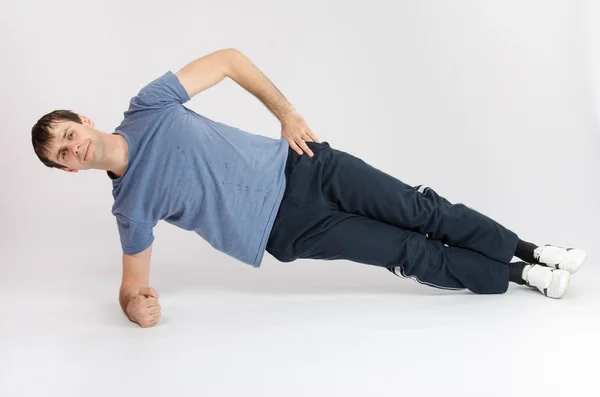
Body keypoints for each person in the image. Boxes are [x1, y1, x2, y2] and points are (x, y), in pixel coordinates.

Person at [31, 48, 586, 328]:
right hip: (288, 228)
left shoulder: (147, 106)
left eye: (68, 135)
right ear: (66, 171)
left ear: (82, 119)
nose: (72, 147)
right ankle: (519, 276)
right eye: (61, 154)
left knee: (421, 209)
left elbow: (227, 59)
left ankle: (529, 248)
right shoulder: (129, 208)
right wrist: (137, 308)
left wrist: (287, 112)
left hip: (304, 165)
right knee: (405, 252)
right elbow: (131, 287)